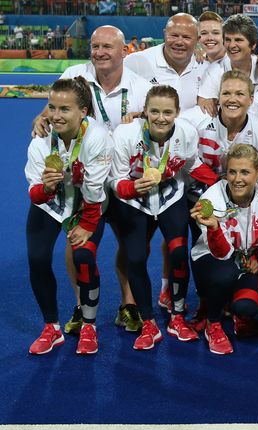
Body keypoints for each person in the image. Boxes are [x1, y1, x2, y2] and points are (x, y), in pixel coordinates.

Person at [31, 25, 153, 335]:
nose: (99, 52)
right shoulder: (75, 73)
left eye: (107, 47)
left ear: (123, 51)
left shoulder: (139, 86)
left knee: (129, 243)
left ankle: (128, 304)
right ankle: (79, 305)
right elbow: (56, 105)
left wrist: (140, 118)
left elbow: (157, 120)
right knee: (79, 241)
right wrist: (42, 115)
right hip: (82, 180)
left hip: (123, 177)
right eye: (95, 46)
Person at [109, 85, 218, 350]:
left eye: (167, 112)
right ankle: (148, 322)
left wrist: (220, 185)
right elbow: (116, 178)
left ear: (177, 113)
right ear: (144, 111)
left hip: (170, 196)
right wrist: (131, 188)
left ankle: (177, 316)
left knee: (179, 252)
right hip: (134, 201)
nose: (160, 117)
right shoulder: (125, 134)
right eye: (154, 111)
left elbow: (192, 164)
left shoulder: (186, 132)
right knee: (135, 257)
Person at [179, 69, 258, 327]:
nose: (232, 99)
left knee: (242, 244)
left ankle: (233, 298)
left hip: (242, 194)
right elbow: (189, 161)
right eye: (227, 93)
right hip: (200, 194)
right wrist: (218, 184)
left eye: (239, 93)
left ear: (251, 98)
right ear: (218, 96)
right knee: (202, 246)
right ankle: (205, 303)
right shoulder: (197, 122)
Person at [25, 78, 112, 355]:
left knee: (84, 256)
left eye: (65, 109)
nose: (56, 115)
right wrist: (47, 187)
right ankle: (51, 328)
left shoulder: (97, 137)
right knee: (37, 259)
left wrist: (87, 226)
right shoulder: (40, 142)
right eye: (52, 108)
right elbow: (35, 194)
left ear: (83, 111)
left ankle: (89, 326)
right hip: (52, 203)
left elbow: (95, 188)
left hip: (87, 203)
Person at [189, 144, 258, 354]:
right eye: (232, 172)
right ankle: (213, 324)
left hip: (248, 261)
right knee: (227, 271)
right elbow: (222, 254)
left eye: (245, 172)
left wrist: (257, 256)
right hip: (213, 259)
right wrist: (213, 228)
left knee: (246, 307)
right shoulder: (210, 201)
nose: (237, 179)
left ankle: (232, 307)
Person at [124, 13, 207, 111]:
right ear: (164, 34)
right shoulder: (136, 62)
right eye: (174, 35)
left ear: (198, 40)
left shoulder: (206, 67)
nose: (179, 42)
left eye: (186, 37)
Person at [198, 14, 258, 116]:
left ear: (253, 44)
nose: (232, 45)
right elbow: (204, 110)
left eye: (238, 40)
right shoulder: (213, 71)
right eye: (228, 40)